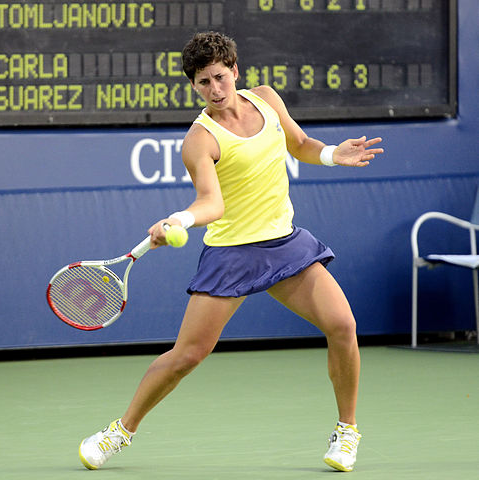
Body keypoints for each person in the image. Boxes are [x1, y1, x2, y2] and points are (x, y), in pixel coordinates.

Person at [78, 31, 383, 473]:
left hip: (284, 244)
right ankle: (119, 432)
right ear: (194, 86)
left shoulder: (266, 99)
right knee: (188, 356)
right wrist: (181, 220)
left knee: (343, 325)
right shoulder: (199, 140)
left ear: (235, 70)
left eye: (220, 77)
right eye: (203, 83)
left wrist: (335, 154)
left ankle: (347, 431)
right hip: (232, 255)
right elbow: (212, 204)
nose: (215, 90)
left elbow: (298, 145)